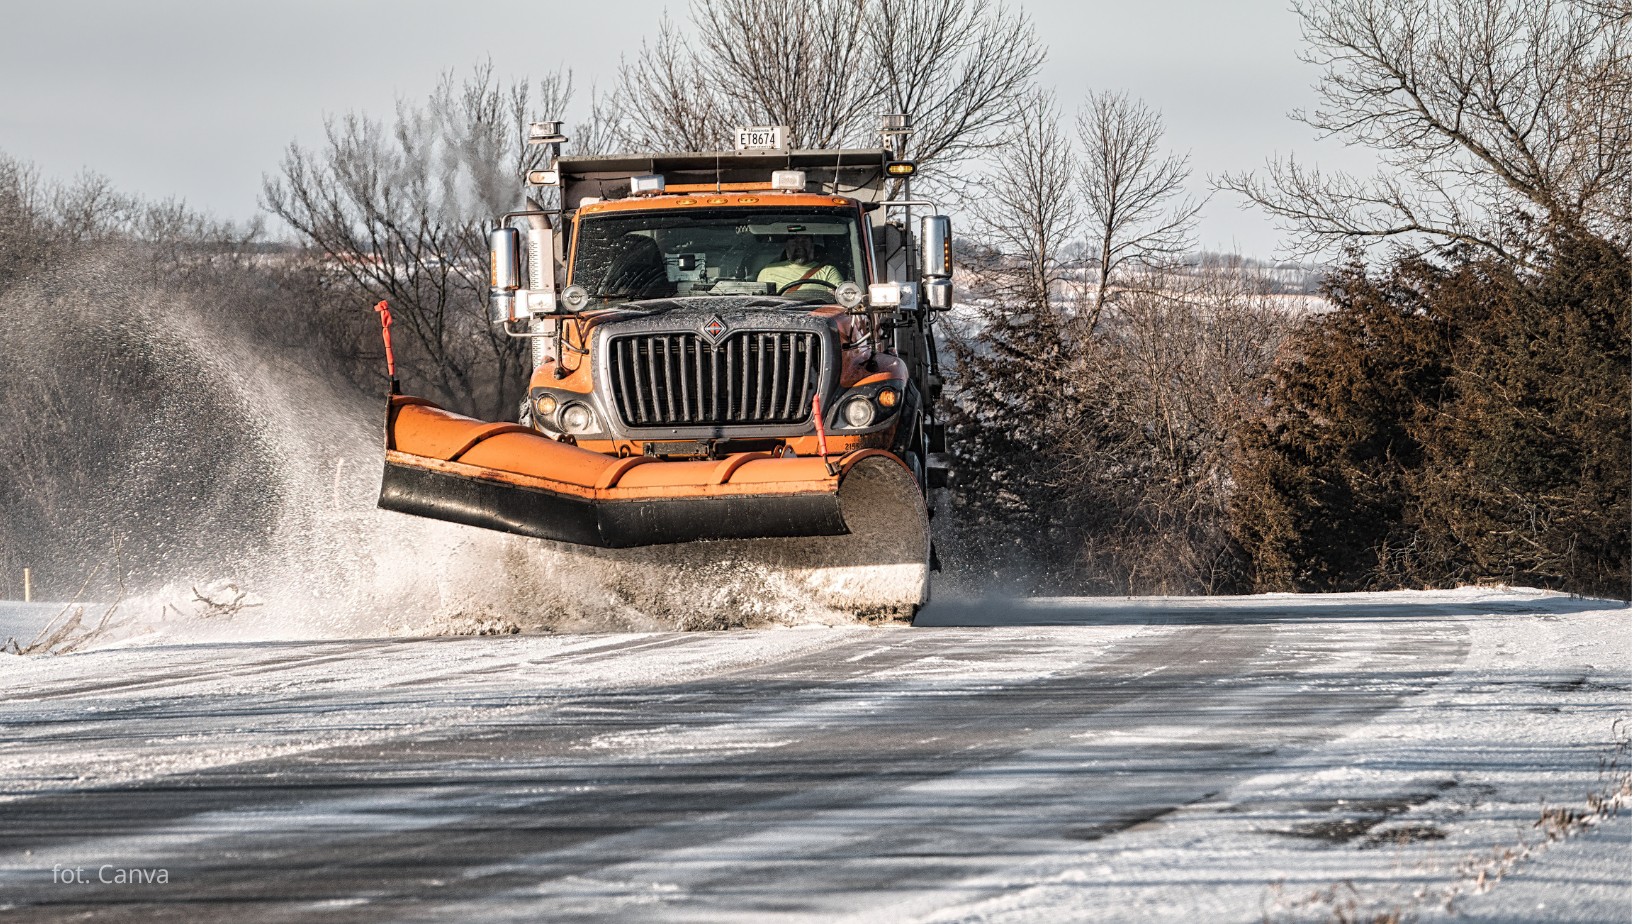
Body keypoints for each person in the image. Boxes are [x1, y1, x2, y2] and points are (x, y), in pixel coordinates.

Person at [757, 234, 843, 294]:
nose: (800, 246)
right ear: (786, 247)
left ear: (812, 246)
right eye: (794, 242)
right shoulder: (767, 272)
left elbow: (841, 302)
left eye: (804, 241)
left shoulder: (828, 271)